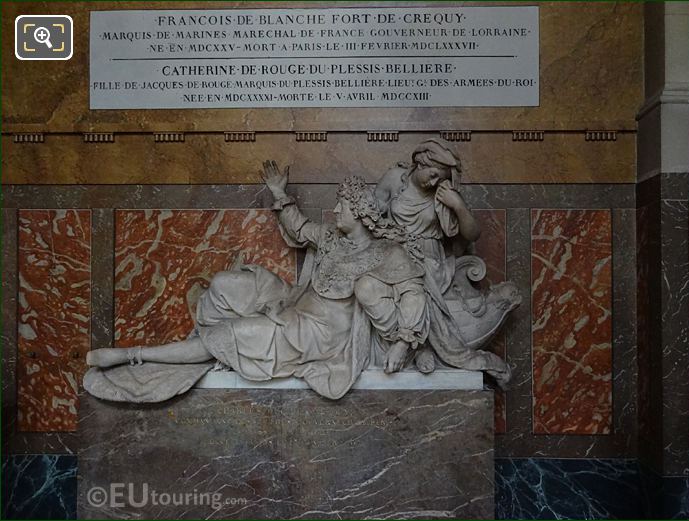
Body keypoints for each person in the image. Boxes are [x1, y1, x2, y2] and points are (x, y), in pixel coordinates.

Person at [84, 164, 429, 402]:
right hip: (293, 301)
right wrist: (280, 194)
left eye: (342, 204)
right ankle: (214, 350)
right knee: (224, 284)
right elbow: (298, 227)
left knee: (228, 334)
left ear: (359, 212)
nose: (336, 208)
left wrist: (402, 342)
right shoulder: (329, 236)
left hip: (317, 335)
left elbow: (413, 294)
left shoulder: (388, 253)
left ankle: (134, 355)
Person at [375, 139, 514, 385]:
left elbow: (472, 234)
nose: (435, 181)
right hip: (393, 253)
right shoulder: (394, 179)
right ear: (421, 162)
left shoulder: (442, 194)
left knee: (420, 282)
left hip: (428, 258)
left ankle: (423, 349)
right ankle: (419, 349)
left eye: (440, 177)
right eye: (433, 174)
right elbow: (371, 215)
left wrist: (457, 205)